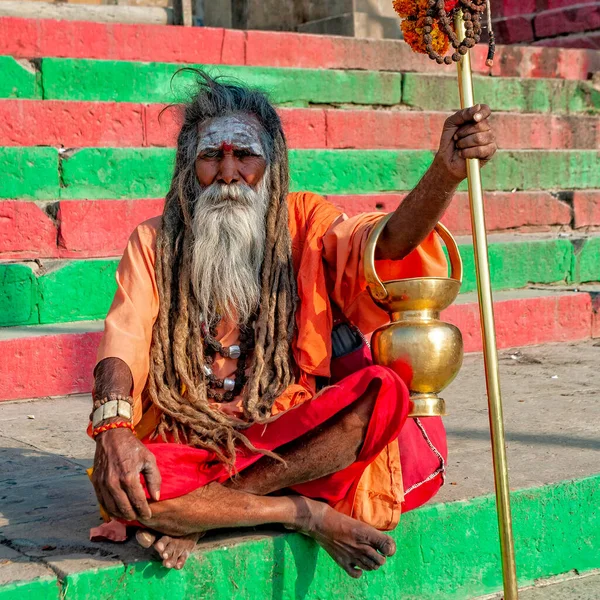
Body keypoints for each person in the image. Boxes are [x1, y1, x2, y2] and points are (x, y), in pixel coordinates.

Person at [89, 71, 496, 576]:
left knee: (383, 390)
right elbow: (122, 341)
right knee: (132, 489)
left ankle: (207, 512)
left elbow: (384, 246)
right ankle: (302, 513)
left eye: (246, 156)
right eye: (211, 156)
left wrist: (444, 174)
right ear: (187, 169)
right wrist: (113, 431)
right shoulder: (153, 243)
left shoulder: (303, 222)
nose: (229, 173)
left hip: (282, 436)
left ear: (273, 167)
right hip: (188, 439)